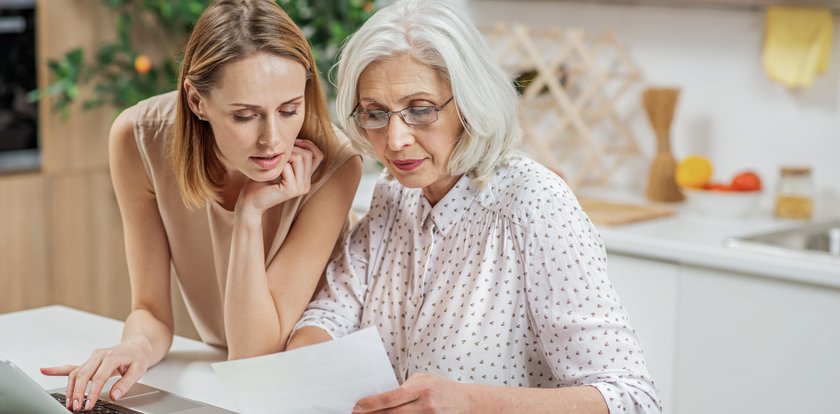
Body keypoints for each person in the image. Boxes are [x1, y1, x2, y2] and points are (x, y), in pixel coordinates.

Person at [286, 1, 660, 413]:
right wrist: (305, 367)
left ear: (468, 102)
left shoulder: (533, 204)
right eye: (375, 114)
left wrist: (471, 403)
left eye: (421, 110)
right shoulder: (395, 192)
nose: (394, 140)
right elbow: (330, 313)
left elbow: (632, 397)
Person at [40, 0, 362, 411]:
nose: (273, 139)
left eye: (289, 110)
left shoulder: (335, 164)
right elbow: (151, 311)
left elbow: (255, 360)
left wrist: (249, 216)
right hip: (223, 381)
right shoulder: (139, 140)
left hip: (304, 388)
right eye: (245, 116)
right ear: (196, 100)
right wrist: (136, 346)